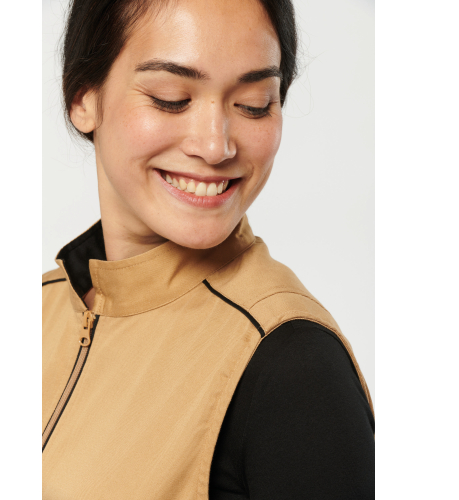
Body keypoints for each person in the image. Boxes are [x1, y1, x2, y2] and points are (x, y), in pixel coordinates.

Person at [42, 0, 375, 498]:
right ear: (82, 97)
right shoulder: (34, 309)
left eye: (254, 104)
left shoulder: (294, 364)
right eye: (172, 99)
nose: (216, 146)